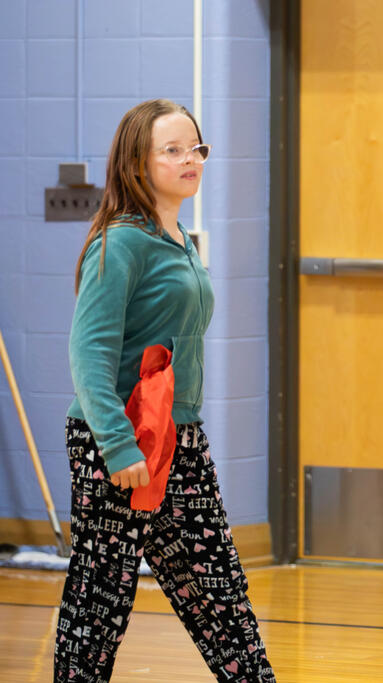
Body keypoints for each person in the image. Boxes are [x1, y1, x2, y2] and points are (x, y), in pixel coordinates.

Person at [56, 99, 275, 682]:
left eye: (195, 148)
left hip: (178, 436)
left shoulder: (177, 237)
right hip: (118, 442)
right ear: (137, 163)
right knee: (100, 599)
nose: (189, 160)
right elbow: (89, 354)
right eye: (172, 150)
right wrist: (117, 446)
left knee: (219, 592)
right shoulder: (120, 242)